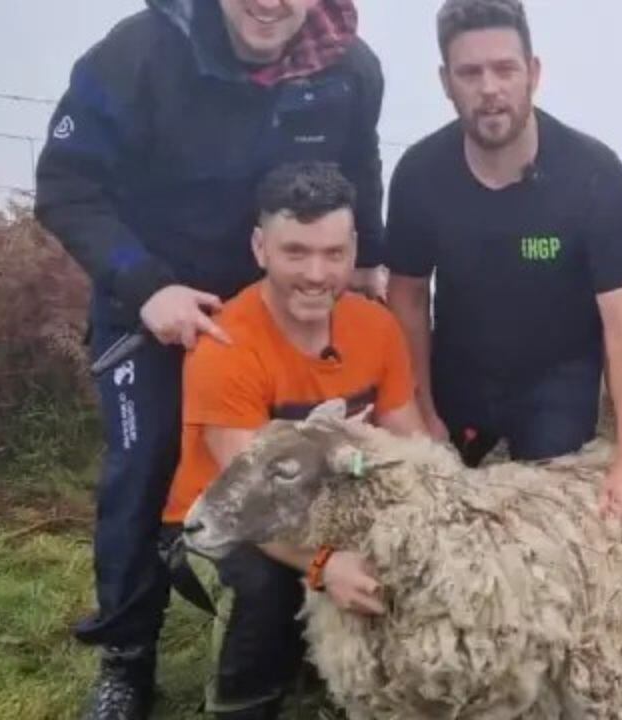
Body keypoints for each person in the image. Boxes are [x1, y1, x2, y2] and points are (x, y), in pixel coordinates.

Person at [33, 1, 387, 716]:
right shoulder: (137, 53)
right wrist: (145, 285)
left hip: (279, 310)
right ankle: (126, 658)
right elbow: (66, 184)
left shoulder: (351, 69)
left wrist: (369, 259)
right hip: (159, 304)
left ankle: (297, 624)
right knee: (146, 465)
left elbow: (360, 164)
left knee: (309, 459)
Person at [161, 162, 426, 719]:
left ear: (354, 250)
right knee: (263, 586)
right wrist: (325, 565)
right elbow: (254, 505)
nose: (316, 274)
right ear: (260, 247)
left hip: (328, 500)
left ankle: (346, 681)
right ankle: (242, 701)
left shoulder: (376, 328)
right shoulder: (226, 347)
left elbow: (411, 442)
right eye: (295, 252)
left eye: (333, 254)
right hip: (222, 516)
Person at [386, 0, 622, 523]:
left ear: (532, 72)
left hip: (557, 381)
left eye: (505, 69)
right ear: (446, 81)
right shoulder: (419, 176)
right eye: (470, 72)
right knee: (431, 521)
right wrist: (423, 417)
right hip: (459, 374)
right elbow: (408, 303)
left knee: (551, 529)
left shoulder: (593, 177)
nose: (489, 88)